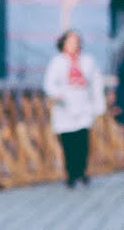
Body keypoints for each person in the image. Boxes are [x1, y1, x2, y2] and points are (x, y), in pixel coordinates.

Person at [43, 28, 105, 187]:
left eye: (76, 41)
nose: (74, 45)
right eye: (70, 41)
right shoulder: (57, 62)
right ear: (63, 44)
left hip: (83, 103)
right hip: (65, 106)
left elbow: (96, 84)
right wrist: (56, 94)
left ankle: (82, 171)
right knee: (68, 142)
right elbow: (49, 83)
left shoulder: (88, 61)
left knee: (82, 141)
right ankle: (71, 173)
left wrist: (99, 105)